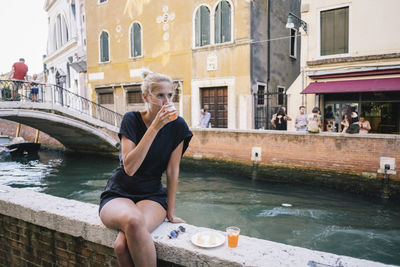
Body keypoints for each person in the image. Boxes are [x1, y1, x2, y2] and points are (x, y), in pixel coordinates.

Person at [99, 71, 193, 267]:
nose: (166, 101)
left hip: (152, 195)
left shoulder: (178, 126)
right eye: (160, 95)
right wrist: (155, 127)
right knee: (131, 223)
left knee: (121, 246)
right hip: (119, 192)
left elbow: (173, 171)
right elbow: (130, 167)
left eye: (170, 95)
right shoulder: (131, 119)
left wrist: (171, 212)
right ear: (145, 97)